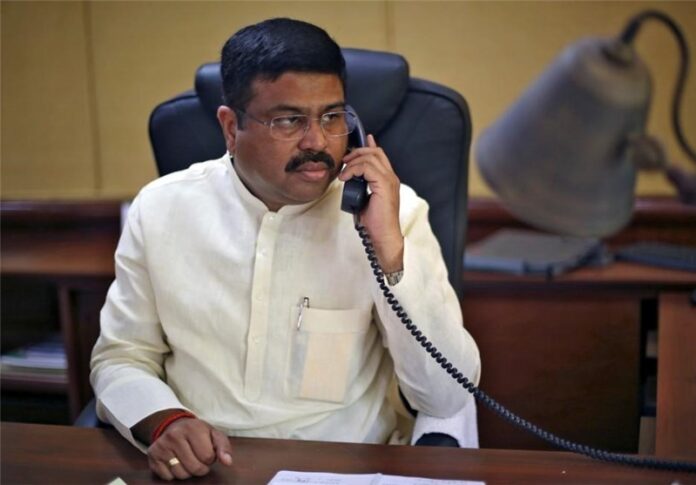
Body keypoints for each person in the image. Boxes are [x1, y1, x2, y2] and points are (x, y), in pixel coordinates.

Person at [90, 17, 481, 481]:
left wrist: (390, 251)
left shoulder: (393, 214)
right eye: (289, 121)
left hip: (343, 470)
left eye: (332, 117)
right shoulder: (160, 209)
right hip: (205, 471)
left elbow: (446, 398)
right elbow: (121, 357)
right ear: (231, 127)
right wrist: (165, 422)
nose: (317, 142)